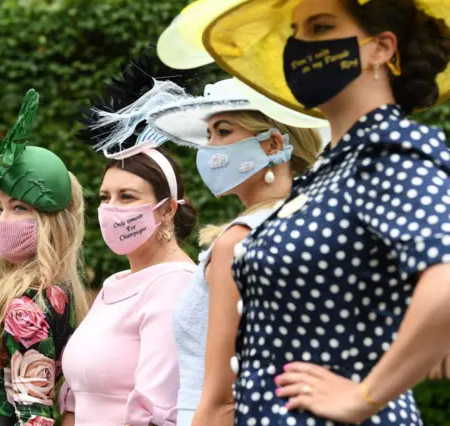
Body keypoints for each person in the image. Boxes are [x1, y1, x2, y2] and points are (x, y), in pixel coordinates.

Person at [159, 0, 450, 425]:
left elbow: (444, 280)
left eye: (321, 27)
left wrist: (366, 396)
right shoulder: (329, 170)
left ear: (382, 48)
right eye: (296, 32)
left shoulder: (388, 149)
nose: (300, 45)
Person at [148, 77, 327, 426]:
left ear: (274, 144)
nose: (210, 147)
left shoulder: (237, 242)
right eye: (209, 134)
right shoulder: (315, 229)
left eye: (223, 131)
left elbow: (221, 399)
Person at [60, 52, 199, 426]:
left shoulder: (174, 285)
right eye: (105, 197)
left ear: (167, 209)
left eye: (128, 197)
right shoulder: (115, 284)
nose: (111, 209)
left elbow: (157, 408)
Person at [0, 89, 89, 426]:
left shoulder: (27, 305)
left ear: (51, 220)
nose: (2, 221)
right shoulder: (53, 292)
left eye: (19, 208)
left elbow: (35, 414)